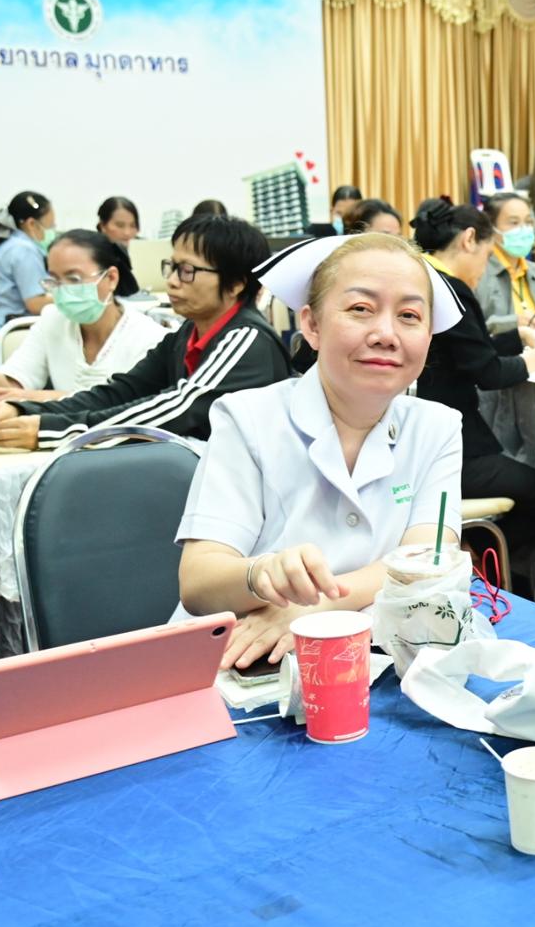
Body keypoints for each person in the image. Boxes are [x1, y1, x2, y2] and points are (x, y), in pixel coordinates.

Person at [176, 232, 466, 671]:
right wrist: (261, 574)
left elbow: (428, 560)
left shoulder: (437, 427)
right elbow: (199, 582)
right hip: (244, 659)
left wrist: (315, 608)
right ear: (311, 325)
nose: (386, 334)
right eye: (360, 309)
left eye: (409, 316)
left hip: (375, 654)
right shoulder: (248, 418)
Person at [0, 214, 290, 449]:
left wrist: (54, 431)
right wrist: (23, 410)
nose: (172, 281)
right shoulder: (187, 335)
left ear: (236, 284)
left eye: (187, 271)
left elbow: (176, 408)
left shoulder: (246, 339)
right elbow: (121, 392)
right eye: (172, 267)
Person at [411, 198, 535, 555]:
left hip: (421, 435)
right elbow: (488, 372)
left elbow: (467, 351)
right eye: (487, 253)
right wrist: (533, 361)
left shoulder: (423, 279)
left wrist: (516, 337)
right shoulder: (451, 290)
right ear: (468, 240)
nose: (485, 264)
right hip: (453, 445)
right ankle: (481, 557)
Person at [0, 229, 168, 401]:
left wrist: (38, 397)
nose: (63, 289)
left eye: (74, 279)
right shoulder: (53, 319)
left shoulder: (149, 338)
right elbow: (14, 382)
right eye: (54, 280)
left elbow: (122, 406)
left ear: (111, 278)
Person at [476, 192, 535, 338]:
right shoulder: (477, 275)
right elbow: (471, 332)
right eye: (514, 223)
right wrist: (514, 323)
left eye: (528, 222)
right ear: (491, 228)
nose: (523, 229)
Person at [0, 190, 55, 327]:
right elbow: (35, 304)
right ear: (31, 224)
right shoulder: (24, 250)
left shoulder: (6, 243)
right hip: (12, 329)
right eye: (50, 226)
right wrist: (71, 298)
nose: (52, 232)